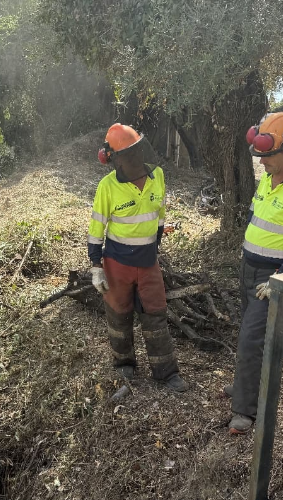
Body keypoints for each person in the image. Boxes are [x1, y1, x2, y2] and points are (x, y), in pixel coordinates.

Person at [224, 112, 283, 434]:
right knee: (247, 334)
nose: (262, 162)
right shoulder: (267, 179)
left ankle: (245, 410)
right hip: (248, 269)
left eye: (268, 156)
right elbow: (256, 219)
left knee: (252, 341)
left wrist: (278, 279)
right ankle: (245, 385)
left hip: (270, 276)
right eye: (261, 156)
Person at [87, 123, 188, 392]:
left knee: (155, 314)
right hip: (117, 262)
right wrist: (95, 266)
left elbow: (160, 216)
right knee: (119, 316)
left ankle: (166, 373)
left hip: (148, 261)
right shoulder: (107, 187)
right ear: (115, 159)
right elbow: (97, 229)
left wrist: (155, 244)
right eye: (127, 154)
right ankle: (124, 365)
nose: (134, 158)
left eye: (136, 151)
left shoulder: (158, 176)